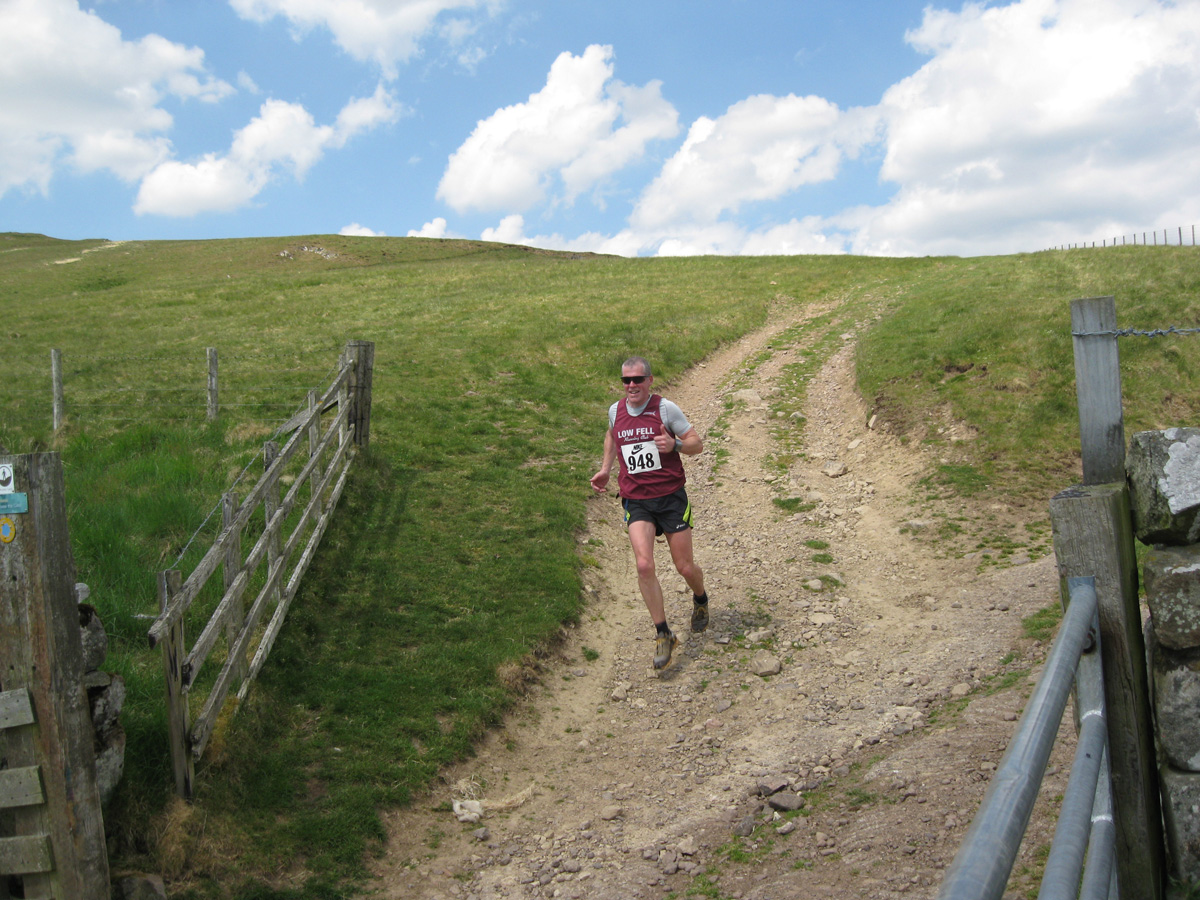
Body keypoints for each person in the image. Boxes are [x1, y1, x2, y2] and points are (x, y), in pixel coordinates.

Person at [590, 356, 709, 669]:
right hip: (637, 499)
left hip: (671, 498)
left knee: (685, 567)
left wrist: (676, 446)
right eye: (626, 380)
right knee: (644, 565)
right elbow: (611, 436)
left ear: (649, 380)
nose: (631, 386)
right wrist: (605, 469)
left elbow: (697, 444)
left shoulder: (666, 409)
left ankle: (700, 598)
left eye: (637, 380)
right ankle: (663, 632)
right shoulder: (616, 411)